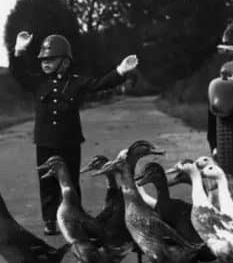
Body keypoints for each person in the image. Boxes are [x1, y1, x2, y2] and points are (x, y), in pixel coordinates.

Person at [10, 31, 139, 235]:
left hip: (69, 141)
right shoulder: (38, 82)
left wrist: (120, 71)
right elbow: (18, 74)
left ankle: (75, 217)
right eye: (43, 59)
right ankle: (50, 220)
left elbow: (100, 84)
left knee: (70, 181)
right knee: (46, 182)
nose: (45, 63)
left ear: (65, 61)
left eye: (51, 59)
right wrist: (19, 50)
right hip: (44, 141)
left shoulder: (76, 82)